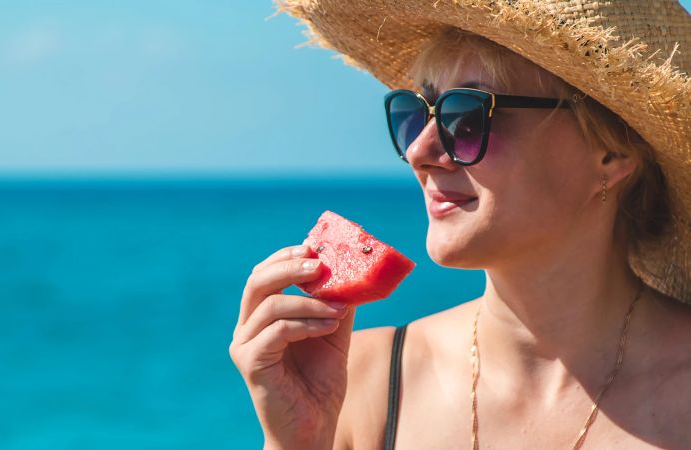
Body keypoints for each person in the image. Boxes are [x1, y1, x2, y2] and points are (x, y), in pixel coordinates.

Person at [229, 1, 691, 448]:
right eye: (415, 116)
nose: (420, 152)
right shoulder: (363, 382)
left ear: (611, 153)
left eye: (466, 117)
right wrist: (298, 443)